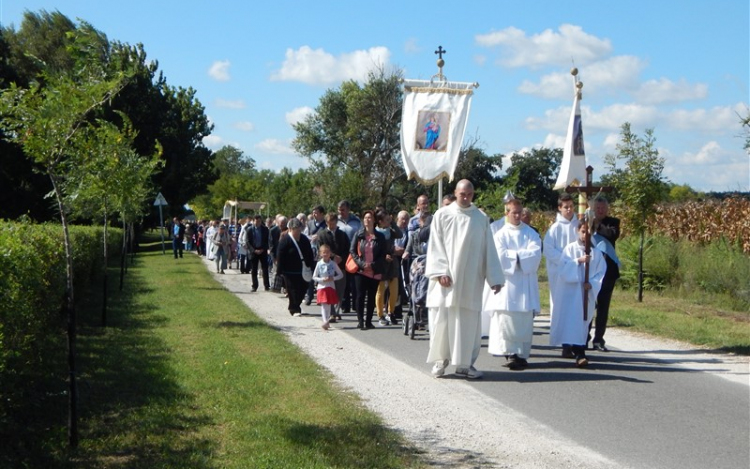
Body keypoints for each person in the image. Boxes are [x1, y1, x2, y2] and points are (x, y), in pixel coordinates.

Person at [425, 180, 505, 379]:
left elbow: (489, 249)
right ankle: (439, 361)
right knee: (442, 321)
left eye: (469, 194)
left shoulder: (480, 218)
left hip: (470, 281)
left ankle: (465, 364)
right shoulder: (442, 215)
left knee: (467, 323)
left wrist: (494, 277)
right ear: (455, 193)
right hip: (446, 281)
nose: (466, 197)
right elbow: (435, 244)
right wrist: (440, 271)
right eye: (462, 194)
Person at [485, 199, 542, 370]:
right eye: (514, 212)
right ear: (506, 213)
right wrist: (520, 258)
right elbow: (499, 256)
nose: (517, 216)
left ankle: (522, 354)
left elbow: (535, 254)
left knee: (523, 321)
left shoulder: (531, 233)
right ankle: (510, 353)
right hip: (507, 286)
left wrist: (515, 257)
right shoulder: (500, 234)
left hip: (525, 285)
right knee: (506, 319)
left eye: (519, 212)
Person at [549, 222, 606, 367]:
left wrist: (591, 283)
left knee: (582, 322)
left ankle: (580, 350)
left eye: (588, 232)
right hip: (570, 293)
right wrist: (578, 261)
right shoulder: (569, 249)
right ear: (577, 231)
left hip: (586, 294)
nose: (584, 235)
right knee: (570, 321)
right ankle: (574, 350)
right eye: (582, 231)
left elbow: (601, 272)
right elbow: (563, 270)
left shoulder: (596, 253)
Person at [543, 193, 579, 357]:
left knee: (576, 306)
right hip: (560, 273)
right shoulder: (555, 228)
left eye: (571, 206)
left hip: (577, 271)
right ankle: (565, 343)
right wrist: (566, 261)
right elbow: (548, 249)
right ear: (559, 208)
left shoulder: (579, 225)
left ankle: (576, 341)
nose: (569, 209)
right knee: (561, 306)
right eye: (566, 207)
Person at [590, 196, 621, 351]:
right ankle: (584, 337)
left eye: (603, 208)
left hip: (608, 272)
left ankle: (598, 339)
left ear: (607, 209)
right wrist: (591, 223)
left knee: (603, 308)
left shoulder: (613, 222)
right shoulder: (587, 223)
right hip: (591, 271)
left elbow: (611, 235)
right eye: (597, 208)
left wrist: (597, 225)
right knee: (589, 305)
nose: (600, 210)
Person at [349, 210, 387, 330]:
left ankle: (369, 321)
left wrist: (374, 265)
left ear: (374, 220)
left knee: (371, 297)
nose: (367, 220)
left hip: (374, 271)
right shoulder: (358, 234)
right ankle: (360, 321)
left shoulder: (380, 237)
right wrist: (361, 263)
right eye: (365, 218)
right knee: (360, 296)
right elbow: (352, 251)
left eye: (369, 217)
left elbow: (383, 254)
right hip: (361, 271)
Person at [276, 218, 314, 316]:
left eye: (299, 229)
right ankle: (294, 308)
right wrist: (279, 270)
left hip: (302, 269)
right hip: (289, 271)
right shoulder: (285, 240)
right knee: (292, 290)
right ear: (290, 229)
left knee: (302, 289)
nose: (297, 231)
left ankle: (297, 304)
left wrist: (310, 265)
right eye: (295, 229)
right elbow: (280, 255)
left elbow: (309, 253)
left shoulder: (304, 239)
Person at [316, 212, 350, 321]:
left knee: (340, 290)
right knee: (329, 289)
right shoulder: (322, 235)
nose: (331, 225)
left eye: (333, 223)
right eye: (329, 223)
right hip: (327, 267)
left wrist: (342, 258)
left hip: (341, 266)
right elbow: (320, 250)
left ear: (336, 222)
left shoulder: (342, 234)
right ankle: (332, 313)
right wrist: (333, 257)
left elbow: (348, 250)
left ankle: (336, 310)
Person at [374, 209, 404, 325]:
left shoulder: (391, 231)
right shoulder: (375, 233)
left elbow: (400, 234)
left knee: (394, 290)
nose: (389, 221)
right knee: (381, 290)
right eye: (386, 220)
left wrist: (393, 224)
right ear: (380, 221)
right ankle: (380, 314)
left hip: (392, 263)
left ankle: (391, 313)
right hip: (381, 264)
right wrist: (385, 254)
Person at [337, 200, 361, 314]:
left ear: (348, 209)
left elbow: (361, 235)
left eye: (343, 210)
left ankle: (356, 304)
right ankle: (344, 304)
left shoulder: (356, 221)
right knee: (343, 280)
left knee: (354, 281)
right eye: (339, 210)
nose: (341, 212)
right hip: (342, 253)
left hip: (354, 254)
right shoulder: (336, 221)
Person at [313, 244, 344, 330]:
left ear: (330, 253)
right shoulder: (319, 264)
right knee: (323, 304)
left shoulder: (333, 264)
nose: (325, 254)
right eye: (324, 252)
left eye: (327, 252)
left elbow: (340, 275)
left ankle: (327, 320)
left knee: (329, 305)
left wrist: (332, 278)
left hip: (331, 286)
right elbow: (314, 276)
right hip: (322, 287)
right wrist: (322, 279)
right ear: (320, 254)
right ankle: (325, 321)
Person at [246, 214, 271, 291]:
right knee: (254, 269)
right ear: (253, 221)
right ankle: (254, 286)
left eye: (259, 221)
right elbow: (248, 242)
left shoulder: (265, 229)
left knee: (265, 268)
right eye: (256, 221)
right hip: (254, 251)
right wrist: (254, 250)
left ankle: (266, 286)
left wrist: (263, 249)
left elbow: (267, 241)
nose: (258, 223)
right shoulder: (249, 229)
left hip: (262, 250)